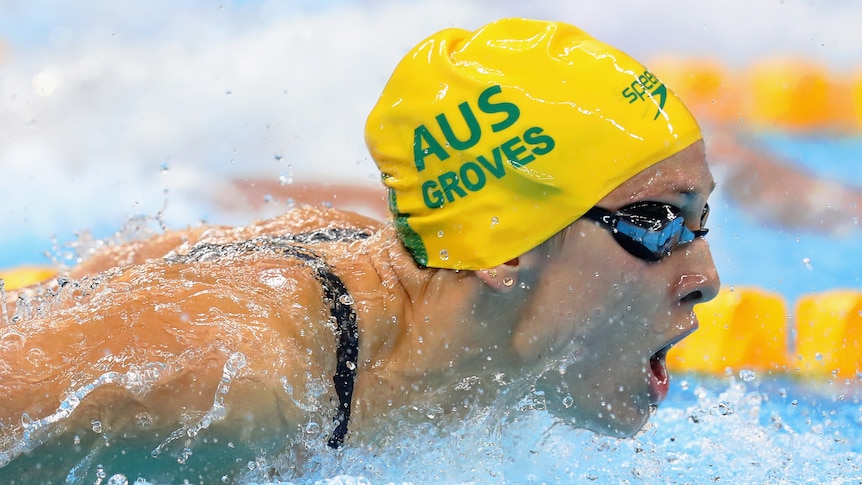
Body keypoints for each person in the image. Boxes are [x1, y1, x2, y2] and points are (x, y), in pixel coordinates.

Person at [0, 18, 719, 483]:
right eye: (655, 220)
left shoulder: (418, 316)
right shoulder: (238, 380)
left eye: (700, 220)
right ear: (503, 249)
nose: (706, 279)